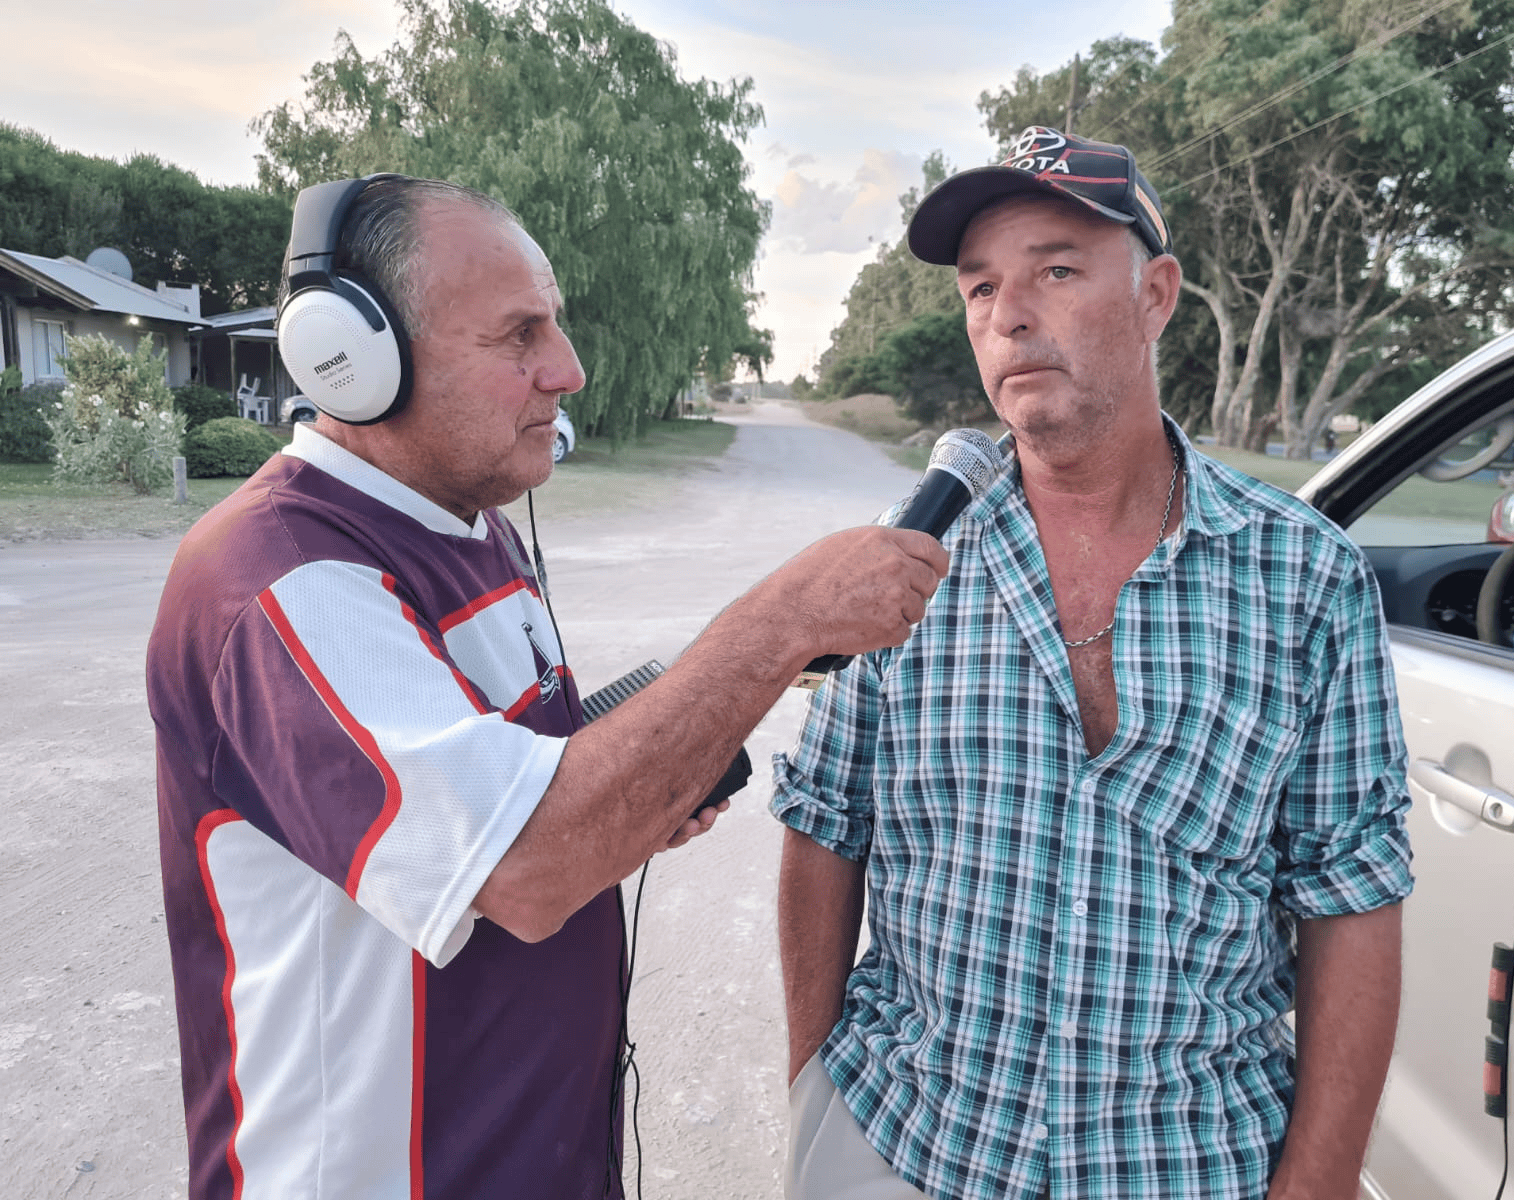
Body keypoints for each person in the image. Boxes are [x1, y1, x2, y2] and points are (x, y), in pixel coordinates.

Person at [145, 175, 949, 1200]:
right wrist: (786, 617)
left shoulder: (472, 521)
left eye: (554, 327)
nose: (566, 371)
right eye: (518, 336)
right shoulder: (279, 583)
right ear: (349, 358)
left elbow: (517, 780)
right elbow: (525, 867)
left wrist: (640, 789)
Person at [773, 126, 1413, 1200]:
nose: (1008, 316)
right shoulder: (903, 562)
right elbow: (826, 825)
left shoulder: (1304, 577)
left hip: (1186, 1163)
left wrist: (1316, 1186)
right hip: (906, 1140)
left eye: (1056, 271)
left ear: (1156, 296)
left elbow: (1350, 900)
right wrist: (813, 1096)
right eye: (980, 290)